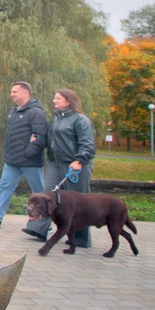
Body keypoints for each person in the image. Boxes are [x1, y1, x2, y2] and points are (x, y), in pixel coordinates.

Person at [22, 89, 95, 246]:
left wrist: (80, 160)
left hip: (75, 165)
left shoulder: (80, 120)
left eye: (58, 98)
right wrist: (37, 138)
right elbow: (52, 140)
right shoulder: (57, 119)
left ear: (68, 101)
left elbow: (88, 144)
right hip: (55, 163)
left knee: (78, 201)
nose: (54, 101)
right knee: (46, 196)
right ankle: (38, 228)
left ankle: (81, 239)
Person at [0, 82, 47, 228]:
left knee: (39, 193)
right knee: (5, 186)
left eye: (14, 92)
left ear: (25, 93)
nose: (11, 94)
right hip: (12, 160)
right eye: (11, 91)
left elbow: (40, 136)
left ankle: (46, 222)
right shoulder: (14, 111)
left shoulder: (36, 112)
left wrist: (28, 153)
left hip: (30, 161)